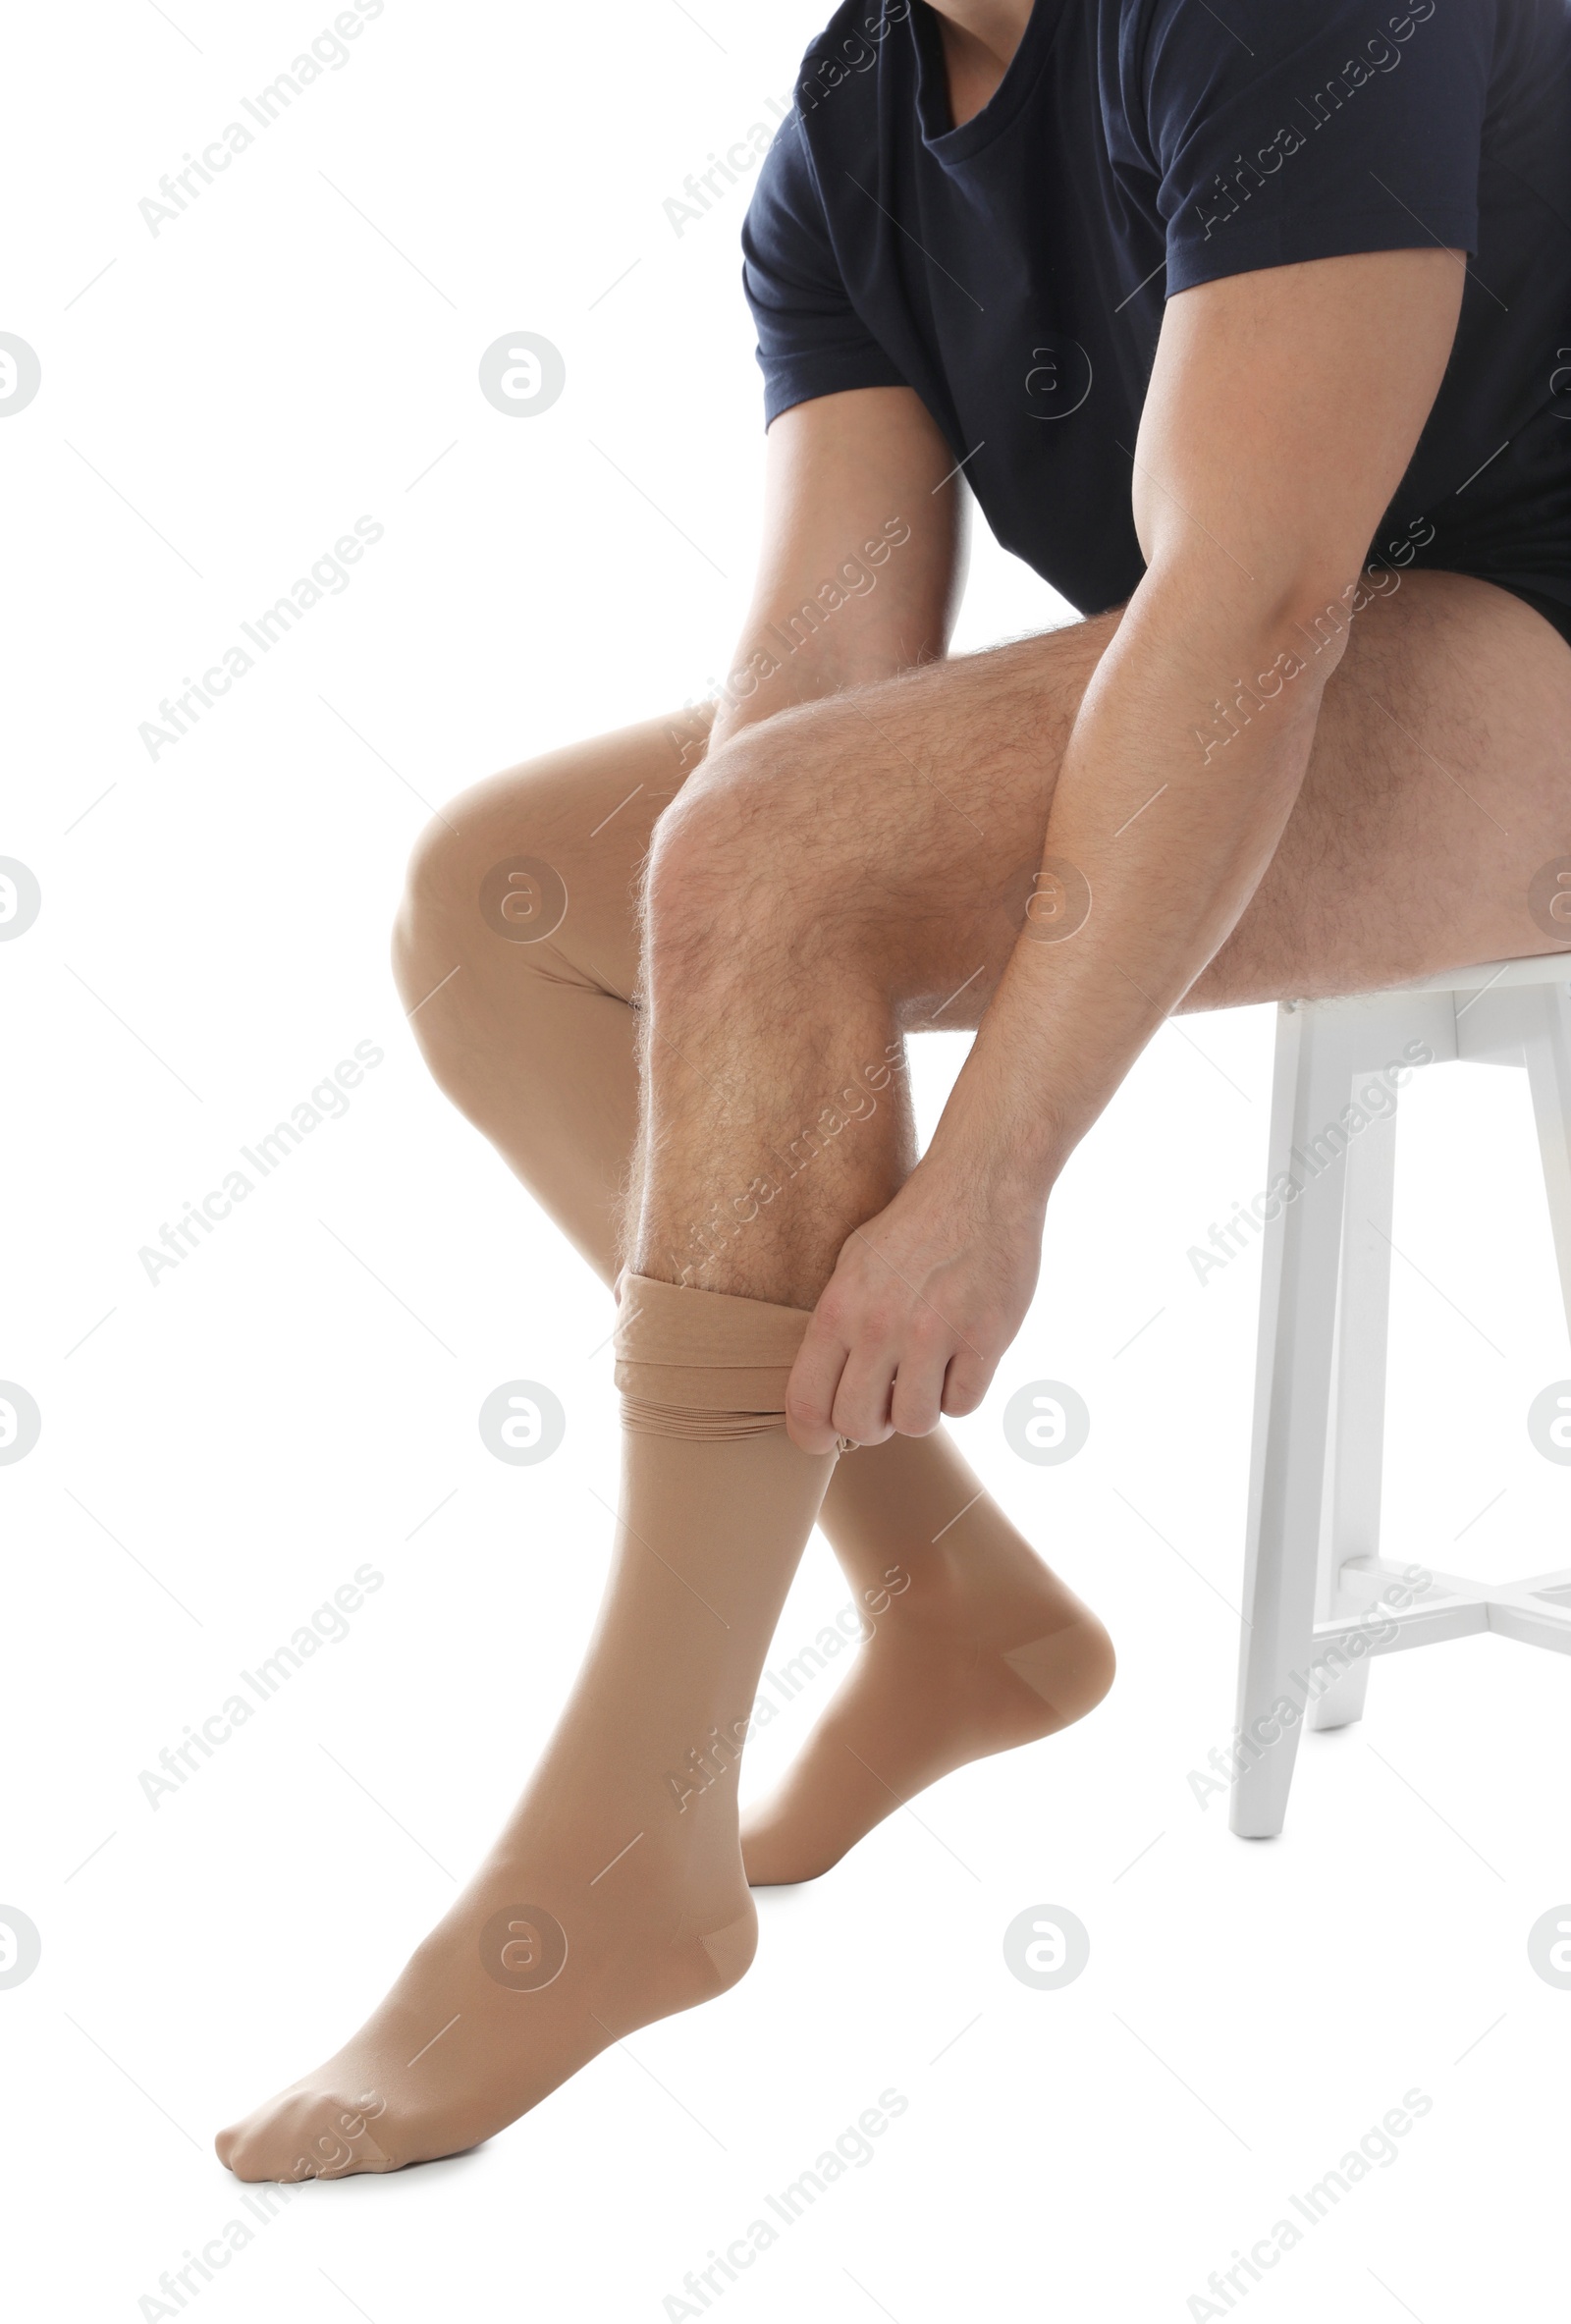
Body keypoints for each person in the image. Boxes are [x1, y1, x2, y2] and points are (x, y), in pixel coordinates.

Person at [217, 0, 1571, 2180]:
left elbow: (1246, 601)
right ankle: (947, 1600)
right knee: (501, 898)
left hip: (1525, 626)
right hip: (1316, 651)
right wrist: (745, 902)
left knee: (770, 857)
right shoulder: (845, 133)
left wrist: (993, 1164)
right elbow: (806, 716)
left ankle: (615, 1861)